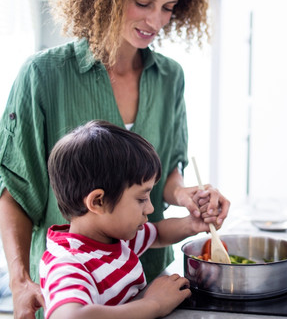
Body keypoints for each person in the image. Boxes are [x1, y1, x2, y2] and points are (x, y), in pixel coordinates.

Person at [0, 0, 230, 318]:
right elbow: (15, 189)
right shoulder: (43, 75)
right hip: (76, 288)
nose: (155, 22)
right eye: (143, 3)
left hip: (149, 280)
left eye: (168, 8)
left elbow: (168, 170)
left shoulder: (170, 77)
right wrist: (19, 281)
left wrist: (186, 196)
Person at [41, 120, 205, 319]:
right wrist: (153, 304)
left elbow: (159, 234)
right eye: (141, 198)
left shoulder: (114, 238)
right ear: (98, 202)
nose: (151, 208)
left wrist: (193, 223)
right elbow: (70, 317)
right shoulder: (67, 262)